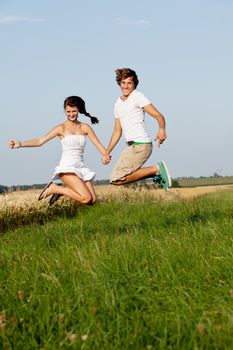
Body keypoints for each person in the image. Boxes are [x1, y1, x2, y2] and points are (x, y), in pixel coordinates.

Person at [9, 96, 110, 205]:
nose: (71, 114)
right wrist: (20, 144)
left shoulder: (85, 127)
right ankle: (55, 189)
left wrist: (105, 155)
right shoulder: (61, 128)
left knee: (92, 200)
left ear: (79, 110)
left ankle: (60, 189)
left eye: (74, 111)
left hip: (80, 167)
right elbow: (39, 141)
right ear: (65, 111)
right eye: (68, 111)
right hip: (67, 168)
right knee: (85, 198)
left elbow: (97, 144)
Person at [105, 68, 171, 190]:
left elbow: (158, 115)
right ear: (119, 83)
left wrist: (162, 129)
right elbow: (117, 131)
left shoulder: (137, 96)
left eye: (129, 83)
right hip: (132, 147)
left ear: (134, 84)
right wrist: (107, 151)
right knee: (115, 179)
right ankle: (156, 172)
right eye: (123, 82)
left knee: (116, 178)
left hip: (141, 145)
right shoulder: (118, 103)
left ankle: (156, 170)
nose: (126, 86)